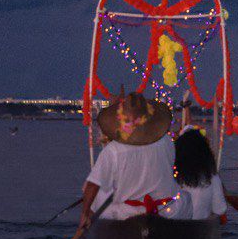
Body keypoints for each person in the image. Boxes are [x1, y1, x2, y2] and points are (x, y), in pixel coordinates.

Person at [79, 92, 181, 225]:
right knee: (186, 198)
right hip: (167, 210)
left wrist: (85, 212)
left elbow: (93, 185)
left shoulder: (113, 150)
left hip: (128, 214)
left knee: (96, 195)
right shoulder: (167, 141)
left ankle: (90, 223)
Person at [172, 126, 228, 220]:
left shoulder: (172, 176)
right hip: (200, 225)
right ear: (205, 152)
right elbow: (220, 209)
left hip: (174, 224)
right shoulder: (211, 177)